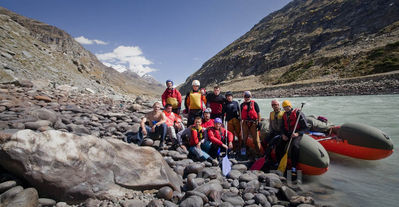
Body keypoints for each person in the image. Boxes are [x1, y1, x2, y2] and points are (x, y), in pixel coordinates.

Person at [276, 100, 309, 173]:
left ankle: (294, 166)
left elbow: (306, 128)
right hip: (288, 133)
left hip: (297, 132)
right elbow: (282, 127)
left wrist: (297, 134)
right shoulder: (284, 115)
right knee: (279, 145)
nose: (286, 109)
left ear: (290, 106)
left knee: (295, 146)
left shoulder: (298, 113)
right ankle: (279, 162)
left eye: (287, 107)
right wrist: (283, 135)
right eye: (284, 108)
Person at [240, 91, 261, 156]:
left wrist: (259, 122)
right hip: (245, 123)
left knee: (256, 140)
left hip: (254, 123)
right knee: (244, 139)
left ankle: (258, 153)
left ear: (250, 96)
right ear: (244, 97)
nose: (247, 98)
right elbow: (240, 115)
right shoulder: (241, 105)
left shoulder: (255, 104)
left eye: (248, 96)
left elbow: (258, 113)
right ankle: (243, 153)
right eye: (245, 96)